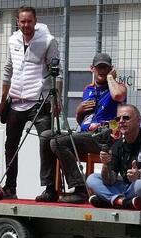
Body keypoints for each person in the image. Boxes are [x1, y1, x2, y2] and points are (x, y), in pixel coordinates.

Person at [37, 53, 127, 203]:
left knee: (58, 142)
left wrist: (111, 78)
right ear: (92, 69)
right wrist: (79, 111)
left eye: (105, 68)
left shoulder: (117, 87)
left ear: (111, 69)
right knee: (46, 136)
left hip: (106, 137)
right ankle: (50, 188)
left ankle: (80, 189)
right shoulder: (88, 89)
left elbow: (118, 96)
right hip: (86, 134)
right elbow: (82, 121)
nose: (102, 71)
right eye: (99, 67)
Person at [0, 5, 62, 200]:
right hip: (16, 101)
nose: (26, 25)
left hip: (39, 101)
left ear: (35, 21)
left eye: (29, 21)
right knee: (10, 145)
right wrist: (3, 99)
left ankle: (50, 189)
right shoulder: (13, 40)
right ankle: (10, 188)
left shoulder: (48, 40)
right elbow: (8, 69)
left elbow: (57, 72)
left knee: (47, 142)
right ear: (17, 22)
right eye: (22, 21)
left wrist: (57, 99)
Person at [86, 104, 141, 210]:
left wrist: (139, 174)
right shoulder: (117, 145)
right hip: (125, 187)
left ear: (138, 121)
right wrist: (105, 165)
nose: (121, 121)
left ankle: (109, 200)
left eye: (126, 118)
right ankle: (122, 201)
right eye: (118, 119)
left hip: (139, 185)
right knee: (92, 179)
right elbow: (109, 180)